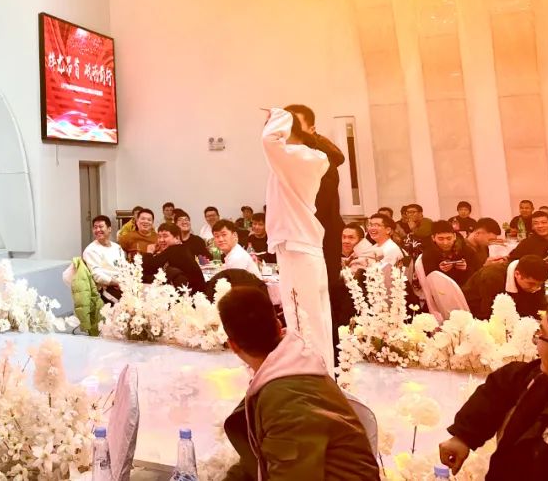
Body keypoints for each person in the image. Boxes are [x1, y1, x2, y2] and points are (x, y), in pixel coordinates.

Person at [220, 287, 380, 481]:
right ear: (278, 326)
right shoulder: (290, 370)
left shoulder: (286, 397)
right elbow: (256, 460)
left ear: (233, 345)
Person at [438, 298, 548, 479]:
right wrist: (464, 436)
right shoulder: (539, 378)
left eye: (542, 335)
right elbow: (500, 388)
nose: (536, 344)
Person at [261, 107, 333, 374]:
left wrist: (278, 114)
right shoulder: (301, 158)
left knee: (304, 320)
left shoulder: (301, 157)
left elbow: (269, 140)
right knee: (310, 319)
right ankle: (318, 376)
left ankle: (312, 378)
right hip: (299, 243)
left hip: (297, 244)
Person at [284, 104, 345, 292]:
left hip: (320, 240)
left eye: (296, 126)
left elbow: (317, 206)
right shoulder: (296, 159)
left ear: (312, 129)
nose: (289, 132)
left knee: (320, 293)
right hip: (305, 239)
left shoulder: (321, 161)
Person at [462, 255, 548, 320]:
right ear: (517, 274)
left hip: (512, 316)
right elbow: (490, 314)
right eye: (531, 284)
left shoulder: (536, 280)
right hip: (474, 314)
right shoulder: (492, 277)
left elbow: (540, 308)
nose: (535, 288)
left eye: (540, 284)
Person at [142, 222, 207, 294]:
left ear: (177, 238)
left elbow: (148, 267)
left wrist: (149, 252)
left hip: (193, 296)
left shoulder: (174, 250)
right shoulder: (182, 248)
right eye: (159, 236)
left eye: (165, 236)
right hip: (195, 293)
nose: (161, 240)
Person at [82, 215, 127, 301]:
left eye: (101, 226)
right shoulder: (91, 250)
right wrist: (116, 283)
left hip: (122, 284)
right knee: (127, 303)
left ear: (109, 229)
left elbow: (124, 267)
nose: (98, 230)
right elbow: (97, 275)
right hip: (105, 288)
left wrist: (125, 282)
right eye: (95, 227)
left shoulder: (117, 247)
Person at [421, 220, 479, 286]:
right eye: (440, 239)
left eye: (449, 238)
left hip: (465, 287)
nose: (445, 243)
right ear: (433, 238)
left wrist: (466, 268)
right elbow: (429, 279)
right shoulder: (428, 253)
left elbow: (477, 273)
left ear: (454, 236)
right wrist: (439, 271)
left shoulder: (466, 250)